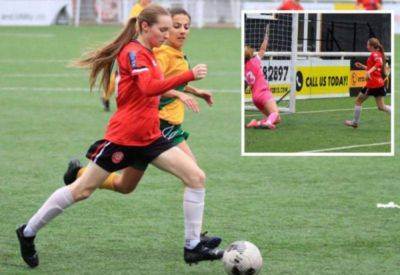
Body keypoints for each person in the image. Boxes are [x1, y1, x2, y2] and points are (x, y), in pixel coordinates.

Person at [16, 4, 223, 268]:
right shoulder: (133, 53)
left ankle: (192, 246)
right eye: (163, 29)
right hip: (124, 138)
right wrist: (189, 75)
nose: (166, 34)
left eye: (169, 29)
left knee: (196, 177)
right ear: (145, 27)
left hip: (151, 137)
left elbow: (151, 90)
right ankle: (27, 232)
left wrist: (187, 90)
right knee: (81, 191)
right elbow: (148, 88)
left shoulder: (150, 52)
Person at [65, 7, 214, 195]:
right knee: (195, 175)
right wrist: (178, 93)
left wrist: (195, 91)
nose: (182, 30)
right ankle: (195, 226)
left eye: (186, 26)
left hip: (158, 126)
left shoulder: (174, 53)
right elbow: (151, 87)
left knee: (125, 186)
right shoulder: (159, 54)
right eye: (175, 26)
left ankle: (79, 174)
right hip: (159, 124)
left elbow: (169, 82)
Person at [102, 0, 153, 111]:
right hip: (132, 46)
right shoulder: (137, 9)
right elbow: (134, 27)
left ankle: (106, 95)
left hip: (139, 45)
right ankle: (106, 95)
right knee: (121, 74)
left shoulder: (147, 9)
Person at [345, 38, 391, 128]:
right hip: (378, 84)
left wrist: (369, 72)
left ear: (371, 46)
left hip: (372, 84)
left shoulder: (374, 54)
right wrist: (363, 67)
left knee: (358, 100)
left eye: (367, 44)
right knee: (381, 107)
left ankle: (355, 123)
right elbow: (375, 68)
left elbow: (378, 65)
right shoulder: (377, 54)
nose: (366, 46)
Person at [244, 37, 280, 129]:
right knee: (275, 113)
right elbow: (263, 50)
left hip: (255, 98)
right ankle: (267, 123)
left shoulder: (243, 69)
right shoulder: (255, 61)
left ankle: (256, 123)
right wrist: (266, 38)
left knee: (277, 119)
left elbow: (245, 85)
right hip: (263, 93)